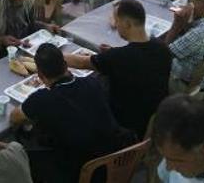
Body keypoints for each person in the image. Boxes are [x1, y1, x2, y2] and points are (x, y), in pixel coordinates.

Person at [10, 44, 128, 183]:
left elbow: (14, 118)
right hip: (114, 160)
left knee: (22, 156)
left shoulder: (42, 99)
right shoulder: (92, 83)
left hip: (83, 171)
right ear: (66, 65)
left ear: (40, 76)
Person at [65, 0, 171, 138]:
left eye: (117, 21)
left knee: (82, 93)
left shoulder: (120, 57)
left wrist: (53, 56)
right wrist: (112, 52)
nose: (115, 25)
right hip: (153, 113)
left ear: (127, 24)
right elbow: (137, 57)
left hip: (124, 123)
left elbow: (82, 63)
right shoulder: (162, 47)